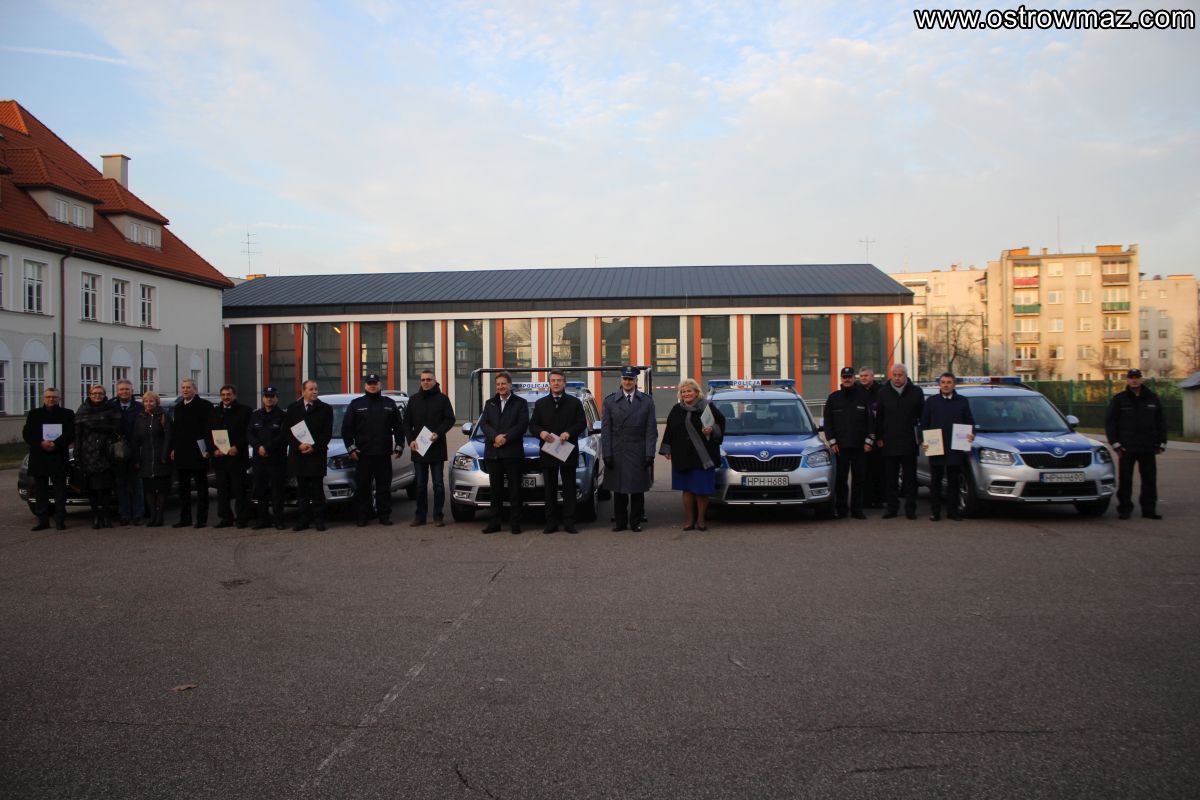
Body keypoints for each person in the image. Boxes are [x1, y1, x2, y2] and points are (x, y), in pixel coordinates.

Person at [659, 378, 725, 531]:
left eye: (689, 391)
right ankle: (689, 520)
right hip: (682, 455)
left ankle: (701, 520)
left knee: (702, 490)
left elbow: (720, 423)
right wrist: (667, 449)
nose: (686, 394)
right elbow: (670, 430)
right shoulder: (676, 409)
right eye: (683, 392)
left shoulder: (707, 407)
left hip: (703, 456)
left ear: (696, 392)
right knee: (687, 489)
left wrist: (712, 429)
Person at [342, 373, 406, 527]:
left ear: (380, 385)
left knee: (384, 487)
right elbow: (346, 429)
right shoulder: (356, 404)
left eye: (375, 383)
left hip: (383, 454)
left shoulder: (389, 404)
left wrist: (399, 445)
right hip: (363, 455)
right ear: (365, 386)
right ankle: (363, 515)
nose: (372, 386)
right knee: (363, 487)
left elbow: (399, 427)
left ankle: (384, 515)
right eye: (370, 383)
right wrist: (351, 449)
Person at [1105, 368, 1168, 520]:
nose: (1134, 380)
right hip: (1126, 447)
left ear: (1141, 379)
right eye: (1131, 378)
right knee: (1125, 480)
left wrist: (1162, 442)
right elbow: (1110, 422)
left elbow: (1160, 421)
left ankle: (1149, 510)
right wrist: (1115, 443)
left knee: (1149, 480)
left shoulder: (1152, 398)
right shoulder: (1120, 399)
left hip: (1148, 446)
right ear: (1127, 380)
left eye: (1137, 377)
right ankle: (1124, 509)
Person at [601, 366, 657, 532]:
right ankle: (620, 522)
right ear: (621, 380)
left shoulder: (646, 401)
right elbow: (606, 430)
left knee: (637, 490)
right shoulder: (609, 401)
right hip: (618, 450)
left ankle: (635, 521)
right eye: (625, 379)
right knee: (619, 490)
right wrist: (607, 453)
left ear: (636, 381)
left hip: (638, 450)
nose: (627, 382)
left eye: (630, 379)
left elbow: (651, 430)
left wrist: (650, 453)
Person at [530, 369, 587, 534]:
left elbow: (581, 423)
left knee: (569, 488)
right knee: (550, 489)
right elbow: (533, 425)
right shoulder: (540, 404)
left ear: (564, 383)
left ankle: (569, 522)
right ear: (549, 383)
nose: (556, 383)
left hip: (567, 450)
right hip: (548, 451)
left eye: (559, 380)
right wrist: (541, 432)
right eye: (553, 380)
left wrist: (569, 432)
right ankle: (551, 522)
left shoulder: (574, 402)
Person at [919, 372, 975, 521]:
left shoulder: (962, 401)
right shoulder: (931, 401)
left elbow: (969, 422)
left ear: (954, 384)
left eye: (949, 382)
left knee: (953, 482)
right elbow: (924, 423)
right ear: (939, 384)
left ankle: (952, 512)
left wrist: (971, 434)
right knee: (935, 482)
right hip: (936, 446)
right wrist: (923, 440)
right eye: (943, 382)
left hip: (955, 447)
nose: (945, 385)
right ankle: (935, 512)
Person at [479, 371, 529, 535]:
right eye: (498, 384)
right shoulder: (490, 403)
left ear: (510, 385)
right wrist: (495, 437)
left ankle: (515, 523)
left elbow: (522, 425)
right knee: (495, 491)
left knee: (515, 491)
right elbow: (484, 424)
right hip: (493, 453)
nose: (500, 387)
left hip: (512, 453)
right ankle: (494, 523)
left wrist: (504, 438)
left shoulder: (520, 403)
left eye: (503, 384)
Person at [404, 369, 456, 527]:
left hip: (436, 448)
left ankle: (438, 516)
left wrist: (438, 433)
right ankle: (420, 516)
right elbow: (406, 423)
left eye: (429, 379)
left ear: (434, 381)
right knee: (420, 485)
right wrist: (410, 440)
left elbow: (450, 419)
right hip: (419, 448)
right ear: (420, 382)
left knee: (438, 484)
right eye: (423, 380)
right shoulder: (413, 400)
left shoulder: (442, 399)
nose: (426, 382)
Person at [874, 363, 925, 520]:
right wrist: (879, 437)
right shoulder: (883, 393)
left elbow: (923, 417)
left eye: (900, 375)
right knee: (891, 478)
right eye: (894, 375)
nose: (897, 378)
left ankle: (911, 509)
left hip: (909, 442)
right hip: (889, 442)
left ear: (905, 376)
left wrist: (922, 437)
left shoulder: (916, 392)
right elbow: (879, 418)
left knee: (910, 479)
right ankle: (892, 508)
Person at [824, 367, 875, 519]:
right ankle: (842, 509)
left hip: (860, 447)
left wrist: (869, 441)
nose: (847, 379)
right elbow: (828, 423)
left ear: (854, 378)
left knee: (859, 479)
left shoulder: (863, 397)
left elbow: (871, 421)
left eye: (849, 377)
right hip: (840, 447)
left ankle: (857, 510)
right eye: (844, 377)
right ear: (841, 379)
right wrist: (832, 442)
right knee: (841, 479)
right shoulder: (833, 398)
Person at [23, 387, 75, 531]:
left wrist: (56, 444)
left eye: (54, 397)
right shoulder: (34, 414)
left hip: (58, 456)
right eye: (48, 397)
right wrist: (41, 442)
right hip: (40, 456)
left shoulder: (67, 414)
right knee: (40, 491)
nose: (51, 399)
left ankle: (60, 519)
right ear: (43, 398)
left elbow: (71, 433)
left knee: (60, 491)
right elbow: (28, 433)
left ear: (59, 398)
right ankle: (42, 520)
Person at [285, 380, 334, 531]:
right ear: (303, 391)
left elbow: (327, 433)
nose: (315, 392)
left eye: (316, 389)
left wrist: (314, 447)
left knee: (317, 491)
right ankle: (303, 521)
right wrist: (298, 445)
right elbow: (287, 431)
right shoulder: (293, 408)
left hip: (316, 455)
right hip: (299, 455)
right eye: (311, 389)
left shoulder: (325, 409)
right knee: (302, 491)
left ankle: (319, 520)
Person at [75, 384, 122, 529]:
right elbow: (77, 434)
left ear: (104, 395)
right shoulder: (82, 410)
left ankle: (106, 516)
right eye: (94, 393)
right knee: (92, 489)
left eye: (100, 393)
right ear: (90, 394)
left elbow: (116, 427)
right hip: (88, 453)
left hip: (106, 452)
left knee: (106, 487)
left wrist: (95, 425)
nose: (97, 396)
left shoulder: (111, 408)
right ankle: (96, 516)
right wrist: (77, 453)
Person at [170, 378, 213, 528]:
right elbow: (176, 430)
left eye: (188, 387)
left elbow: (209, 429)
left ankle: (201, 519)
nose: (185, 390)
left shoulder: (205, 406)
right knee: (184, 489)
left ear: (195, 389)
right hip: (182, 452)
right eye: (183, 387)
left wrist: (207, 449)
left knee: (201, 488)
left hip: (198, 452)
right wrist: (174, 448)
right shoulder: (178, 407)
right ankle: (185, 518)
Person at [210, 384, 252, 528]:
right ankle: (225, 518)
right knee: (222, 490)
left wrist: (237, 447)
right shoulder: (215, 412)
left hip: (237, 457)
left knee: (239, 490)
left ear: (234, 395)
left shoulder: (245, 411)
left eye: (228, 394)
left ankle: (241, 518)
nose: (226, 397)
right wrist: (213, 450)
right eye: (223, 395)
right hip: (220, 457)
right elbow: (208, 432)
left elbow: (248, 432)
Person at [248, 386, 288, 530]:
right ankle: (263, 519)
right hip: (259, 459)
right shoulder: (256, 415)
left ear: (277, 398)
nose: (269, 399)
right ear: (263, 398)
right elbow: (250, 433)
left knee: (277, 492)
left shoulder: (283, 416)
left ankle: (279, 520)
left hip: (276, 459)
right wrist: (258, 446)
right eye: (266, 396)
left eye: (272, 396)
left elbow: (284, 436)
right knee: (261, 491)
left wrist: (267, 447)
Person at [132, 391, 173, 527]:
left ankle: (159, 516)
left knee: (161, 489)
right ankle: (152, 516)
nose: (148, 404)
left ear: (156, 402)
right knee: (148, 489)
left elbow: (168, 437)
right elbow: (136, 440)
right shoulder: (140, 418)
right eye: (146, 401)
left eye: (151, 401)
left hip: (161, 457)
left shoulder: (163, 416)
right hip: (146, 458)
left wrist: (164, 455)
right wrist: (136, 459)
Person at [113, 379, 145, 525]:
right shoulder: (112, 407)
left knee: (136, 485)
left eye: (127, 389)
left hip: (135, 451)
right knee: (121, 485)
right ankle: (124, 514)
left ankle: (138, 514)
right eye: (121, 389)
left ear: (132, 391)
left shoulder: (140, 408)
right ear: (117, 391)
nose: (124, 392)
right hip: (117, 451)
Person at [858, 367, 885, 509]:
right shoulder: (857, 391)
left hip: (878, 438)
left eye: (866, 375)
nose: (863, 378)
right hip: (861, 439)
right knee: (863, 471)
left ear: (872, 376)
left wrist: (880, 437)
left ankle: (879, 499)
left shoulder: (881, 391)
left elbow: (884, 415)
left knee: (878, 470)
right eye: (861, 376)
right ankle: (865, 500)